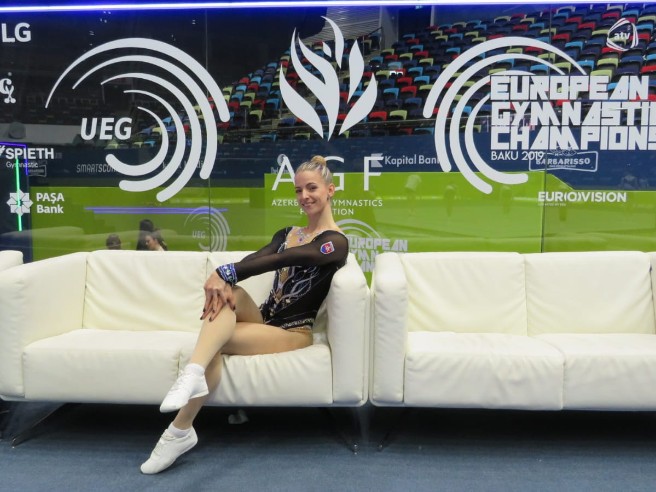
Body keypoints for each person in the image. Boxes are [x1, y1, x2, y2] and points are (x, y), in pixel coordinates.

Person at [140, 155, 349, 474]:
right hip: (264, 319)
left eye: (312, 188)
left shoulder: (335, 243)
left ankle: (179, 430)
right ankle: (193, 376)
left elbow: (282, 260)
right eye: (298, 190)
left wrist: (226, 271)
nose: (304, 196)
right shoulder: (287, 232)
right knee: (231, 294)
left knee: (215, 342)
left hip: (293, 332)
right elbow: (258, 256)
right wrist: (225, 278)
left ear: (330, 190)